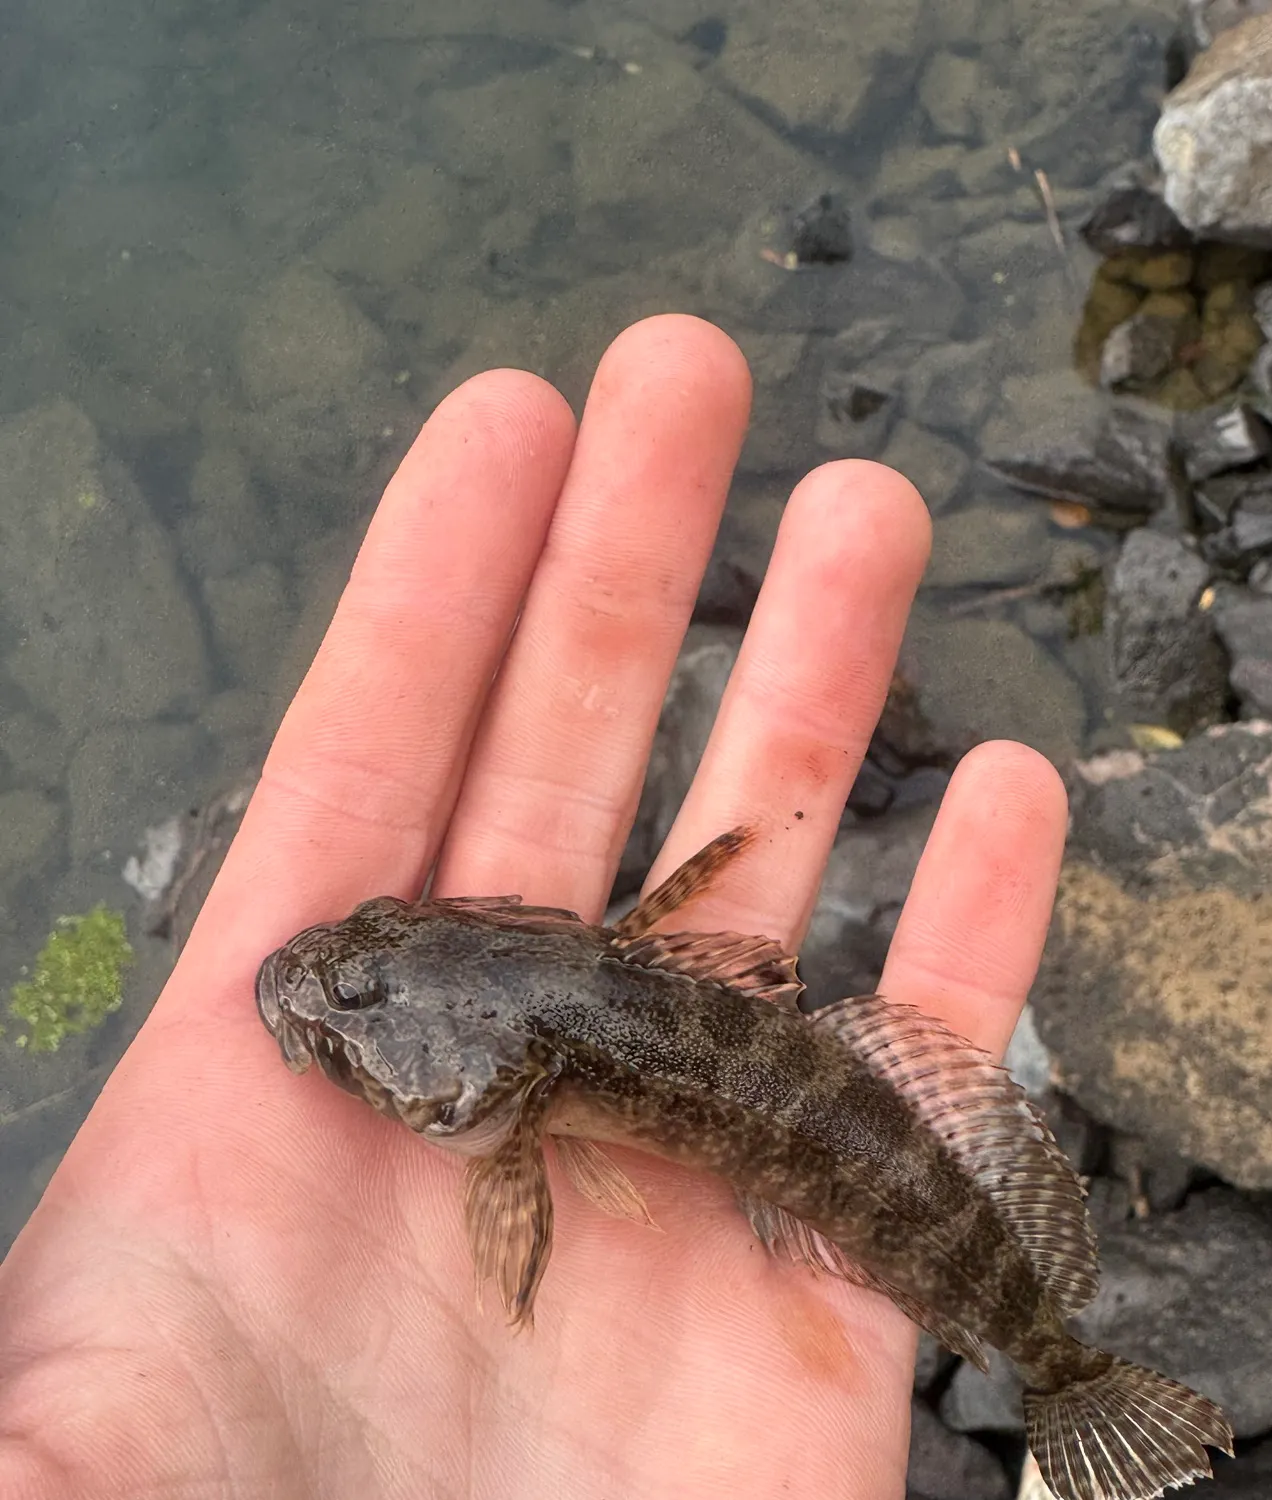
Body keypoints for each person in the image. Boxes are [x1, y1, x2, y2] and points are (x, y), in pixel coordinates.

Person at [0, 315, 1067, 1498]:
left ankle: (1063, 1368)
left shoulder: (515, 1110)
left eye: (363, 985)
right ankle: (1059, 1357)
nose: (327, 994)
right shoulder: (575, 976)